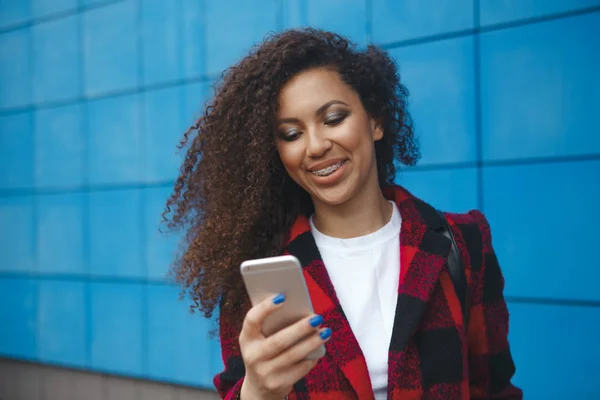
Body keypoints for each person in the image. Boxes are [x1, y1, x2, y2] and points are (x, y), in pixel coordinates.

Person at [164, 28, 522, 400]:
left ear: (376, 121)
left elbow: (494, 389)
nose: (315, 146)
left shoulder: (462, 243)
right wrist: (257, 391)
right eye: (291, 134)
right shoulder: (260, 270)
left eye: (333, 118)